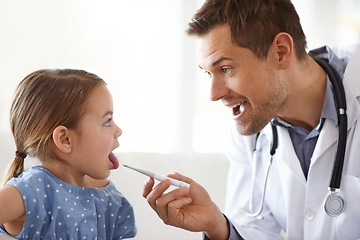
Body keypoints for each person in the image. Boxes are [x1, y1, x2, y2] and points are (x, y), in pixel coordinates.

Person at [142, 0, 360, 239]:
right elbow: (255, 227)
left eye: (225, 69)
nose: (214, 95)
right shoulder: (252, 128)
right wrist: (218, 226)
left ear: (281, 52)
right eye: (208, 73)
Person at [0, 69, 137, 239]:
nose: (119, 131)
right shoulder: (33, 190)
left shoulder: (109, 198)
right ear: (65, 139)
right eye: (107, 121)